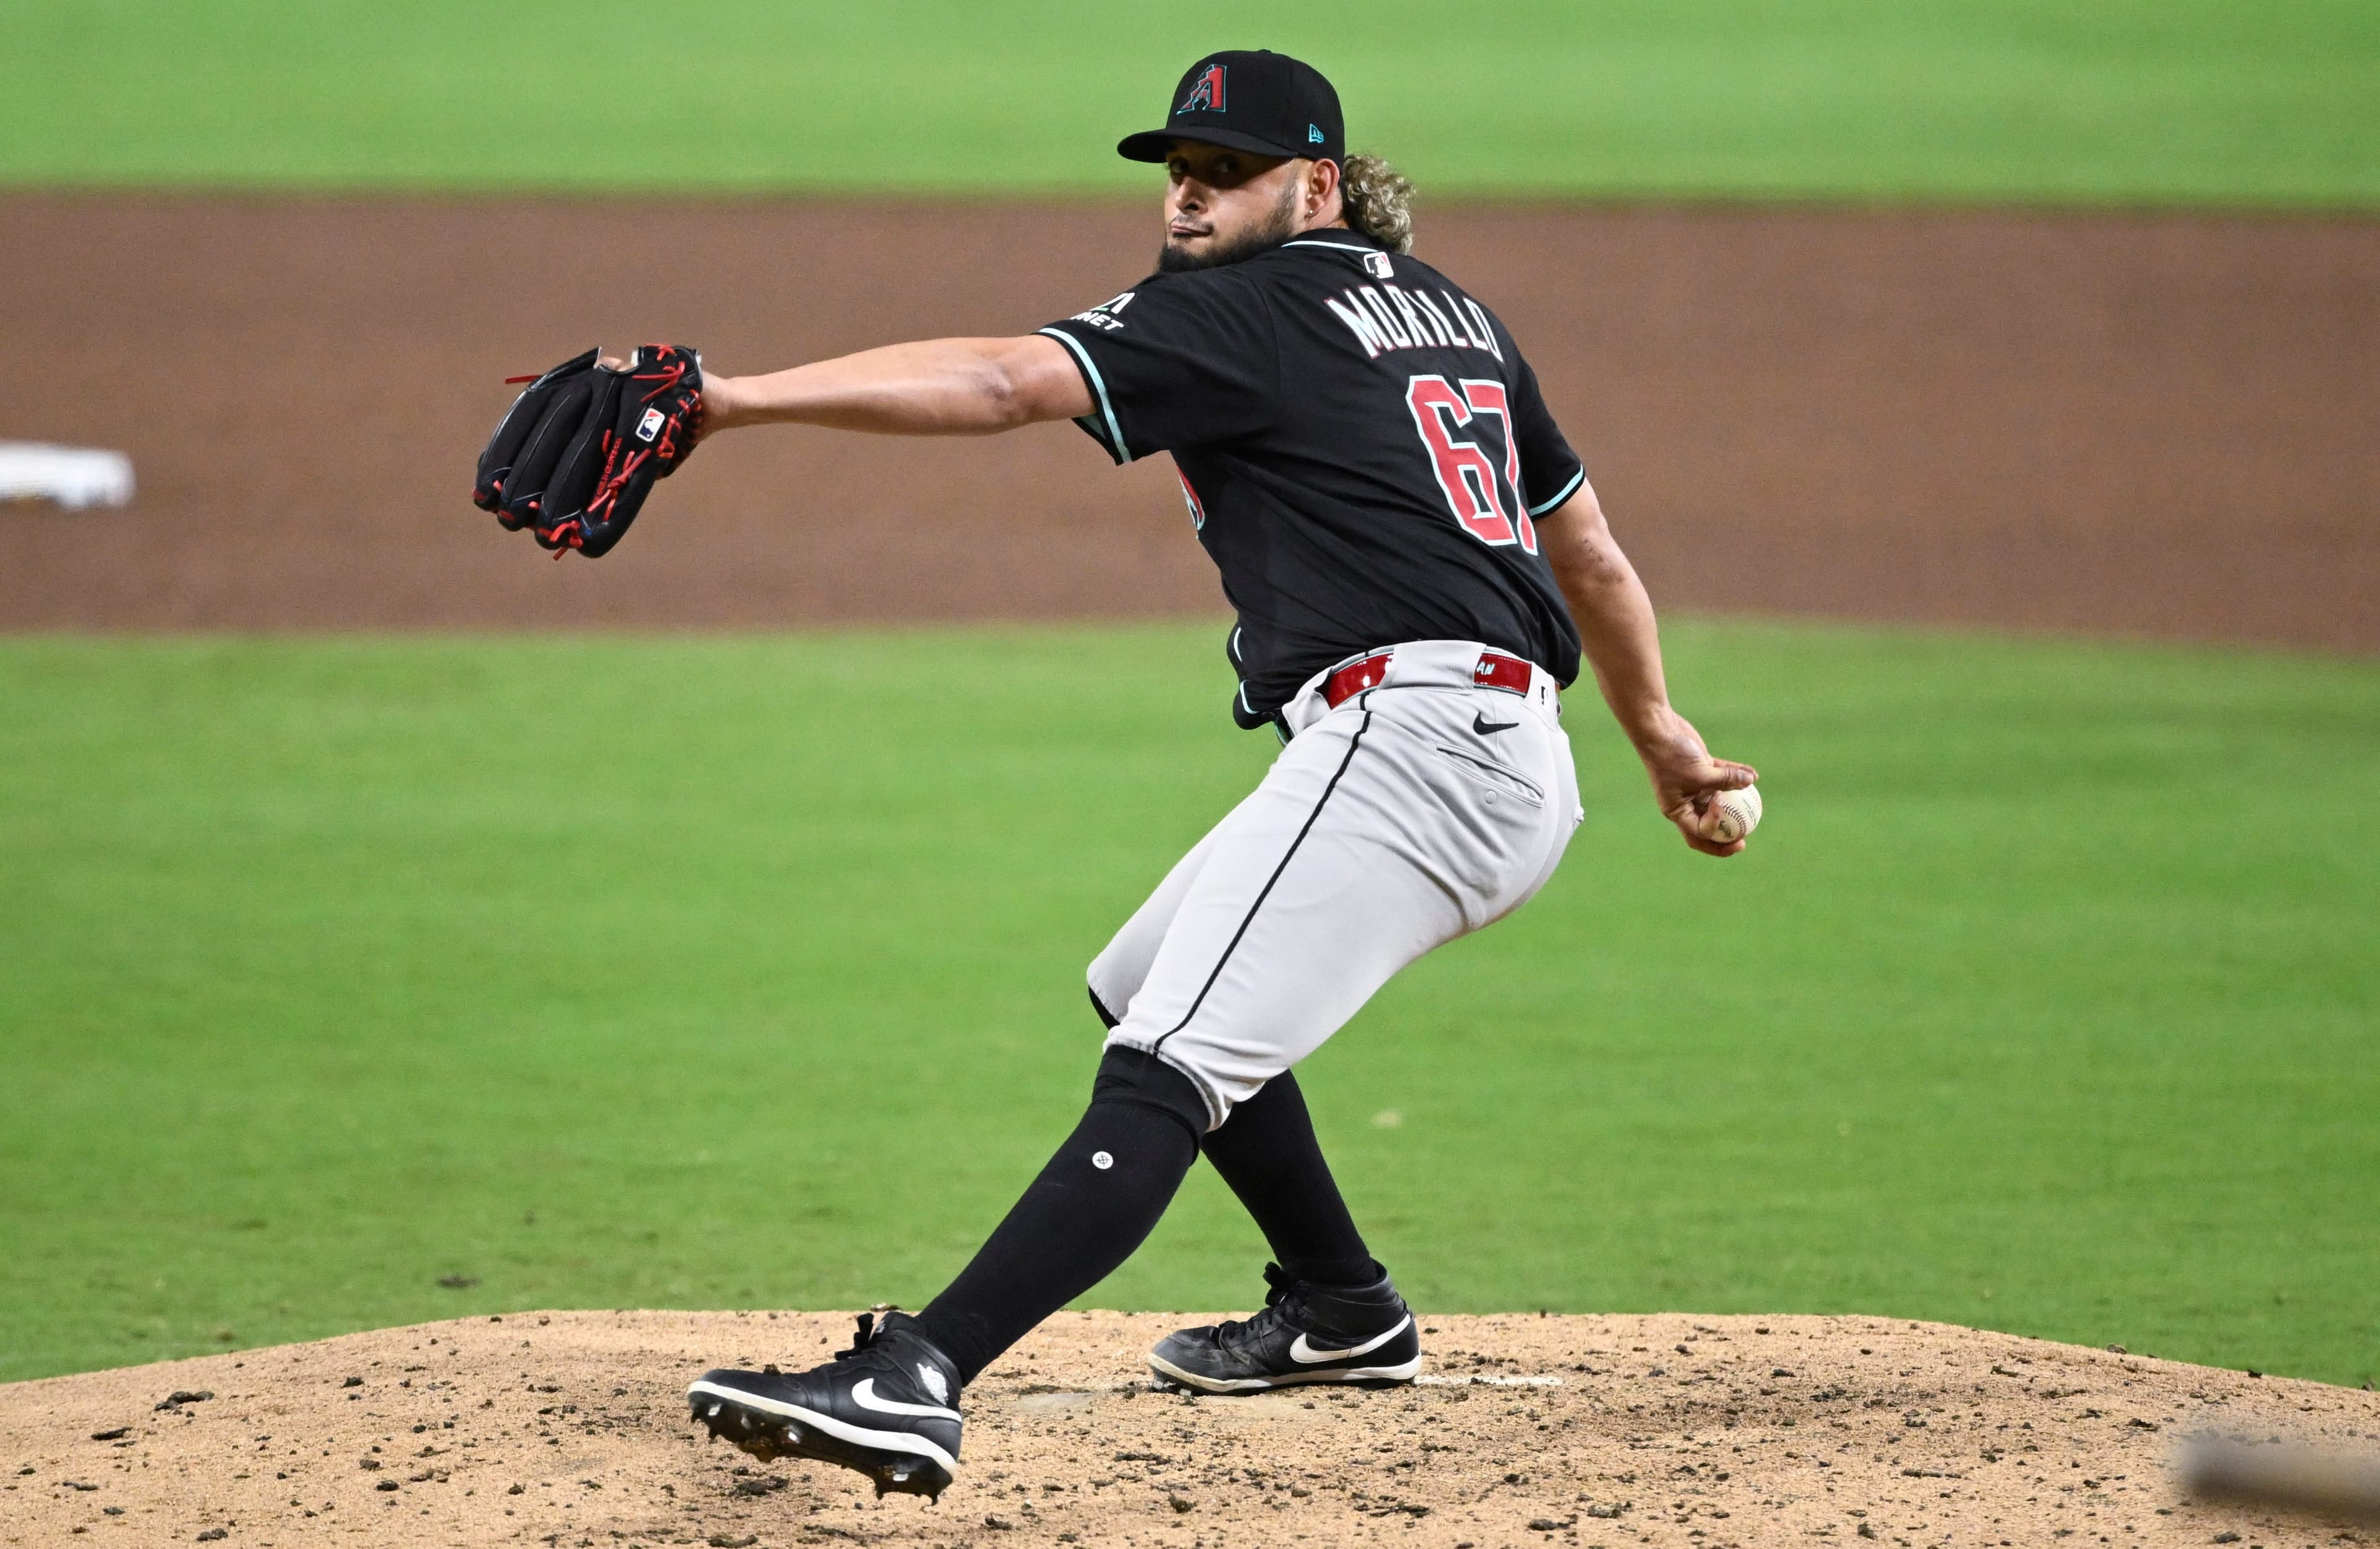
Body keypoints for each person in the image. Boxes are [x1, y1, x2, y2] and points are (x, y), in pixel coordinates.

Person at [680, 48, 1756, 1501]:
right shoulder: (1450, 314)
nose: (1190, 197)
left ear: (1315, 187)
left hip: (1416, 742)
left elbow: (1001, 382)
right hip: (1489, 747)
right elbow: (1592, 554)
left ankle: (918, 1374)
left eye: (1229, 173)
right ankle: (1342, 1305)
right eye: (1179, 169)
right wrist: (1660, 729)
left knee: (1168, 1057)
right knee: (1144, 978)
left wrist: (728, 400)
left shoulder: (1251, 308)